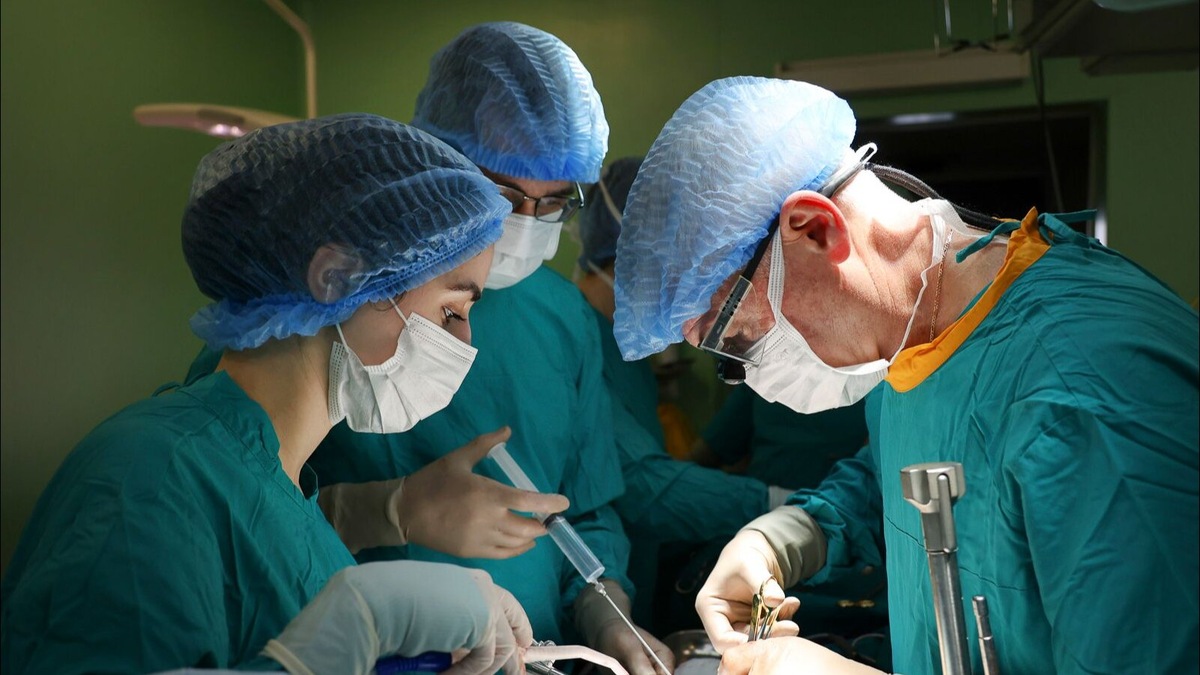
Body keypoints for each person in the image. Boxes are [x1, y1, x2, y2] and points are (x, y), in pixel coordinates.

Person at [613, 76, 1199, 674]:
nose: (749, 371)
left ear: (815, 228)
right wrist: (793, 535)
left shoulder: (1087, 386)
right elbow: (911, 478)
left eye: (738, 338)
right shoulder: (909, 344)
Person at [0, 113, 534, 675]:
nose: (464, 344)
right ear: (336, 278)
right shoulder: (151, 476)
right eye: (451, 311)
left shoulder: (287, 498)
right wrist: (358, 626)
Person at [308, 23, 673, 675]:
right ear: (436, 163)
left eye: (552, 203)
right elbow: (243, 510)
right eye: (501, 195)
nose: (522, 227)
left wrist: (606, 613)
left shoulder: (563, 317)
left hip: (536, 653)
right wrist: (384, 511)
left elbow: (586, 507)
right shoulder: (341, 300)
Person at [574, 156, 796, 631]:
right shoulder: (576, 337)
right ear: (629, 258)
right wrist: (777, 505)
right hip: (588, 598)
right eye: (676, 271)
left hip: (633, 584)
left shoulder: (623, 348)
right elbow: (640, 485)